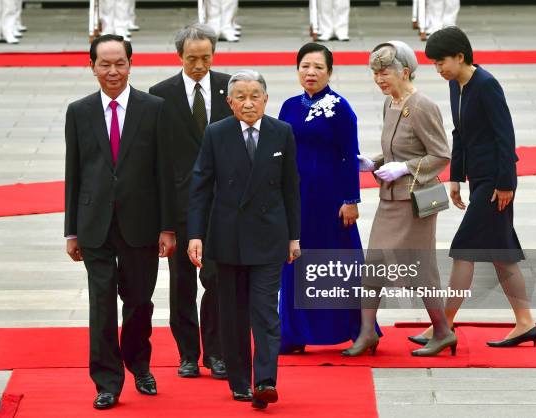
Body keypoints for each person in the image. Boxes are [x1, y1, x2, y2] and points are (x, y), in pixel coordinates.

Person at [64, 34, 176, 409]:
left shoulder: (154, 108)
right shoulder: (78, 111)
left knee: (140, 302)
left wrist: (168, 226)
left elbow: (166, 172)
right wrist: (72, 230)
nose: (112, 71)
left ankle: (138, 363)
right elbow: (74, 173)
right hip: (94, 222)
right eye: (104, 64)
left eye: (119, 63)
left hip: (141, 223)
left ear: (130, 64)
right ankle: (106, 382)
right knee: (101, 306)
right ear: (92, 66)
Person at [411, 26, 536, 348]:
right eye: (434, 63)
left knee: (463, 249)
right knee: (502, 255)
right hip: (479, 180)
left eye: (442, 62)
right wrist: (457, 177)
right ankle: (525, 323)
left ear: (460, 56)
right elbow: (460, 133)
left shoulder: (486, 86)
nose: (438, 69)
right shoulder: (457, 85)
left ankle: (444, 326)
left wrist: (506, 183)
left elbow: (504, 136)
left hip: (496, 183)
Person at [187, 70, 301, 409]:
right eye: (241, 97)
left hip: (270, 238)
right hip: (228, 239)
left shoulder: (282, 132)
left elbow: (290, 189)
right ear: (229, 102)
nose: (249, 103)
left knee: (265, 311)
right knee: (233, 314)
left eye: (255, 96)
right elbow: (200, 188)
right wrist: (196, 235)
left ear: (266, 99)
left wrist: (294, 237)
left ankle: (265, 380)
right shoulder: (216, 133)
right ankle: (239, 382)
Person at [342, 40, 456, 357]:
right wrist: (375, 162)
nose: (379, 79)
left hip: (417, 201)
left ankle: (444, 331)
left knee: (419, 270)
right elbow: (396, 149)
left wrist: (404, 168)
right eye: (375, 73)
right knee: (374, 267)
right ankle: (367, 333)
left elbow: (440, 154)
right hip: (390, 199)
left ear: (404, 71)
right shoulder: (390, 103)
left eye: (384, 73)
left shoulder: (422, 106)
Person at [149, 23, 232, 380]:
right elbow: (158, 161)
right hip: (181, 207)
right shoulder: (160, 94)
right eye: (192, 58)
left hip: (222, 206)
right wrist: (163, 223)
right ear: (179, 56)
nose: (199, 65)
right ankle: (187, 353)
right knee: (181, 283)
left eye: (206, 58)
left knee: (216, 281)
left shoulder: (230, 86)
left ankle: (215, 352)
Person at [277, 43, 367, 354]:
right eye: (305, 66)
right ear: (297, 69)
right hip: (296, 197)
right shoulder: (289, 106)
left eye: (318, 67)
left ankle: (356, 329)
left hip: (331, 200)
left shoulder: (340, 108)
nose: (311, 72)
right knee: (296, 258)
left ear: (329, 71)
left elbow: (348, 155)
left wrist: (351, 198)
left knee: (335, 263)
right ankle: (294, 333)